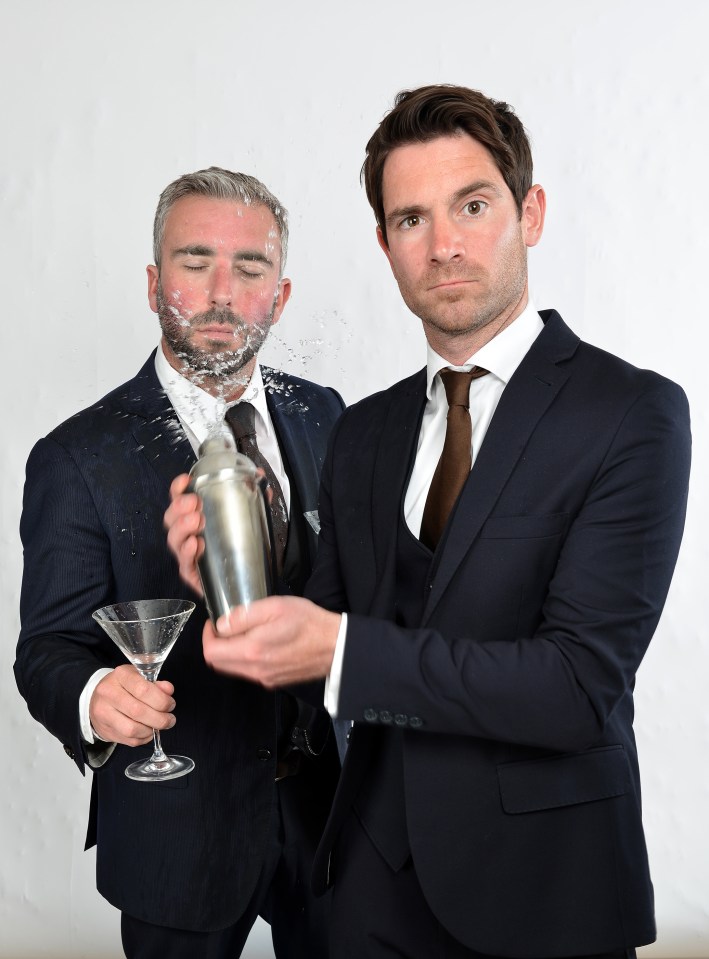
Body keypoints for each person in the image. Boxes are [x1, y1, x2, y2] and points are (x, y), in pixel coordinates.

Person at [165, 87, 692, 959]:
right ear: (384, 244)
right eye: (410, 219)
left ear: (530, 212)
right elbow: (318, 654)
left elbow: (574, 687)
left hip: (545, 892)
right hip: (364, 888)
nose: (443, 244)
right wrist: (233, 582)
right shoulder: (364, 429)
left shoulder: (631, 412)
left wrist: (336, 649)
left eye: (472, 205)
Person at [14, 167, 343, 959]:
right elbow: (47, 650)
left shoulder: (330, 414)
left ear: (282, 294)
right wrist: (96, 695)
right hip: (177, 830)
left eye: (250, 267)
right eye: (196, 263)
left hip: (334, 820)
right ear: (156, 282)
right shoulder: (76, 454)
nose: (222, 290)